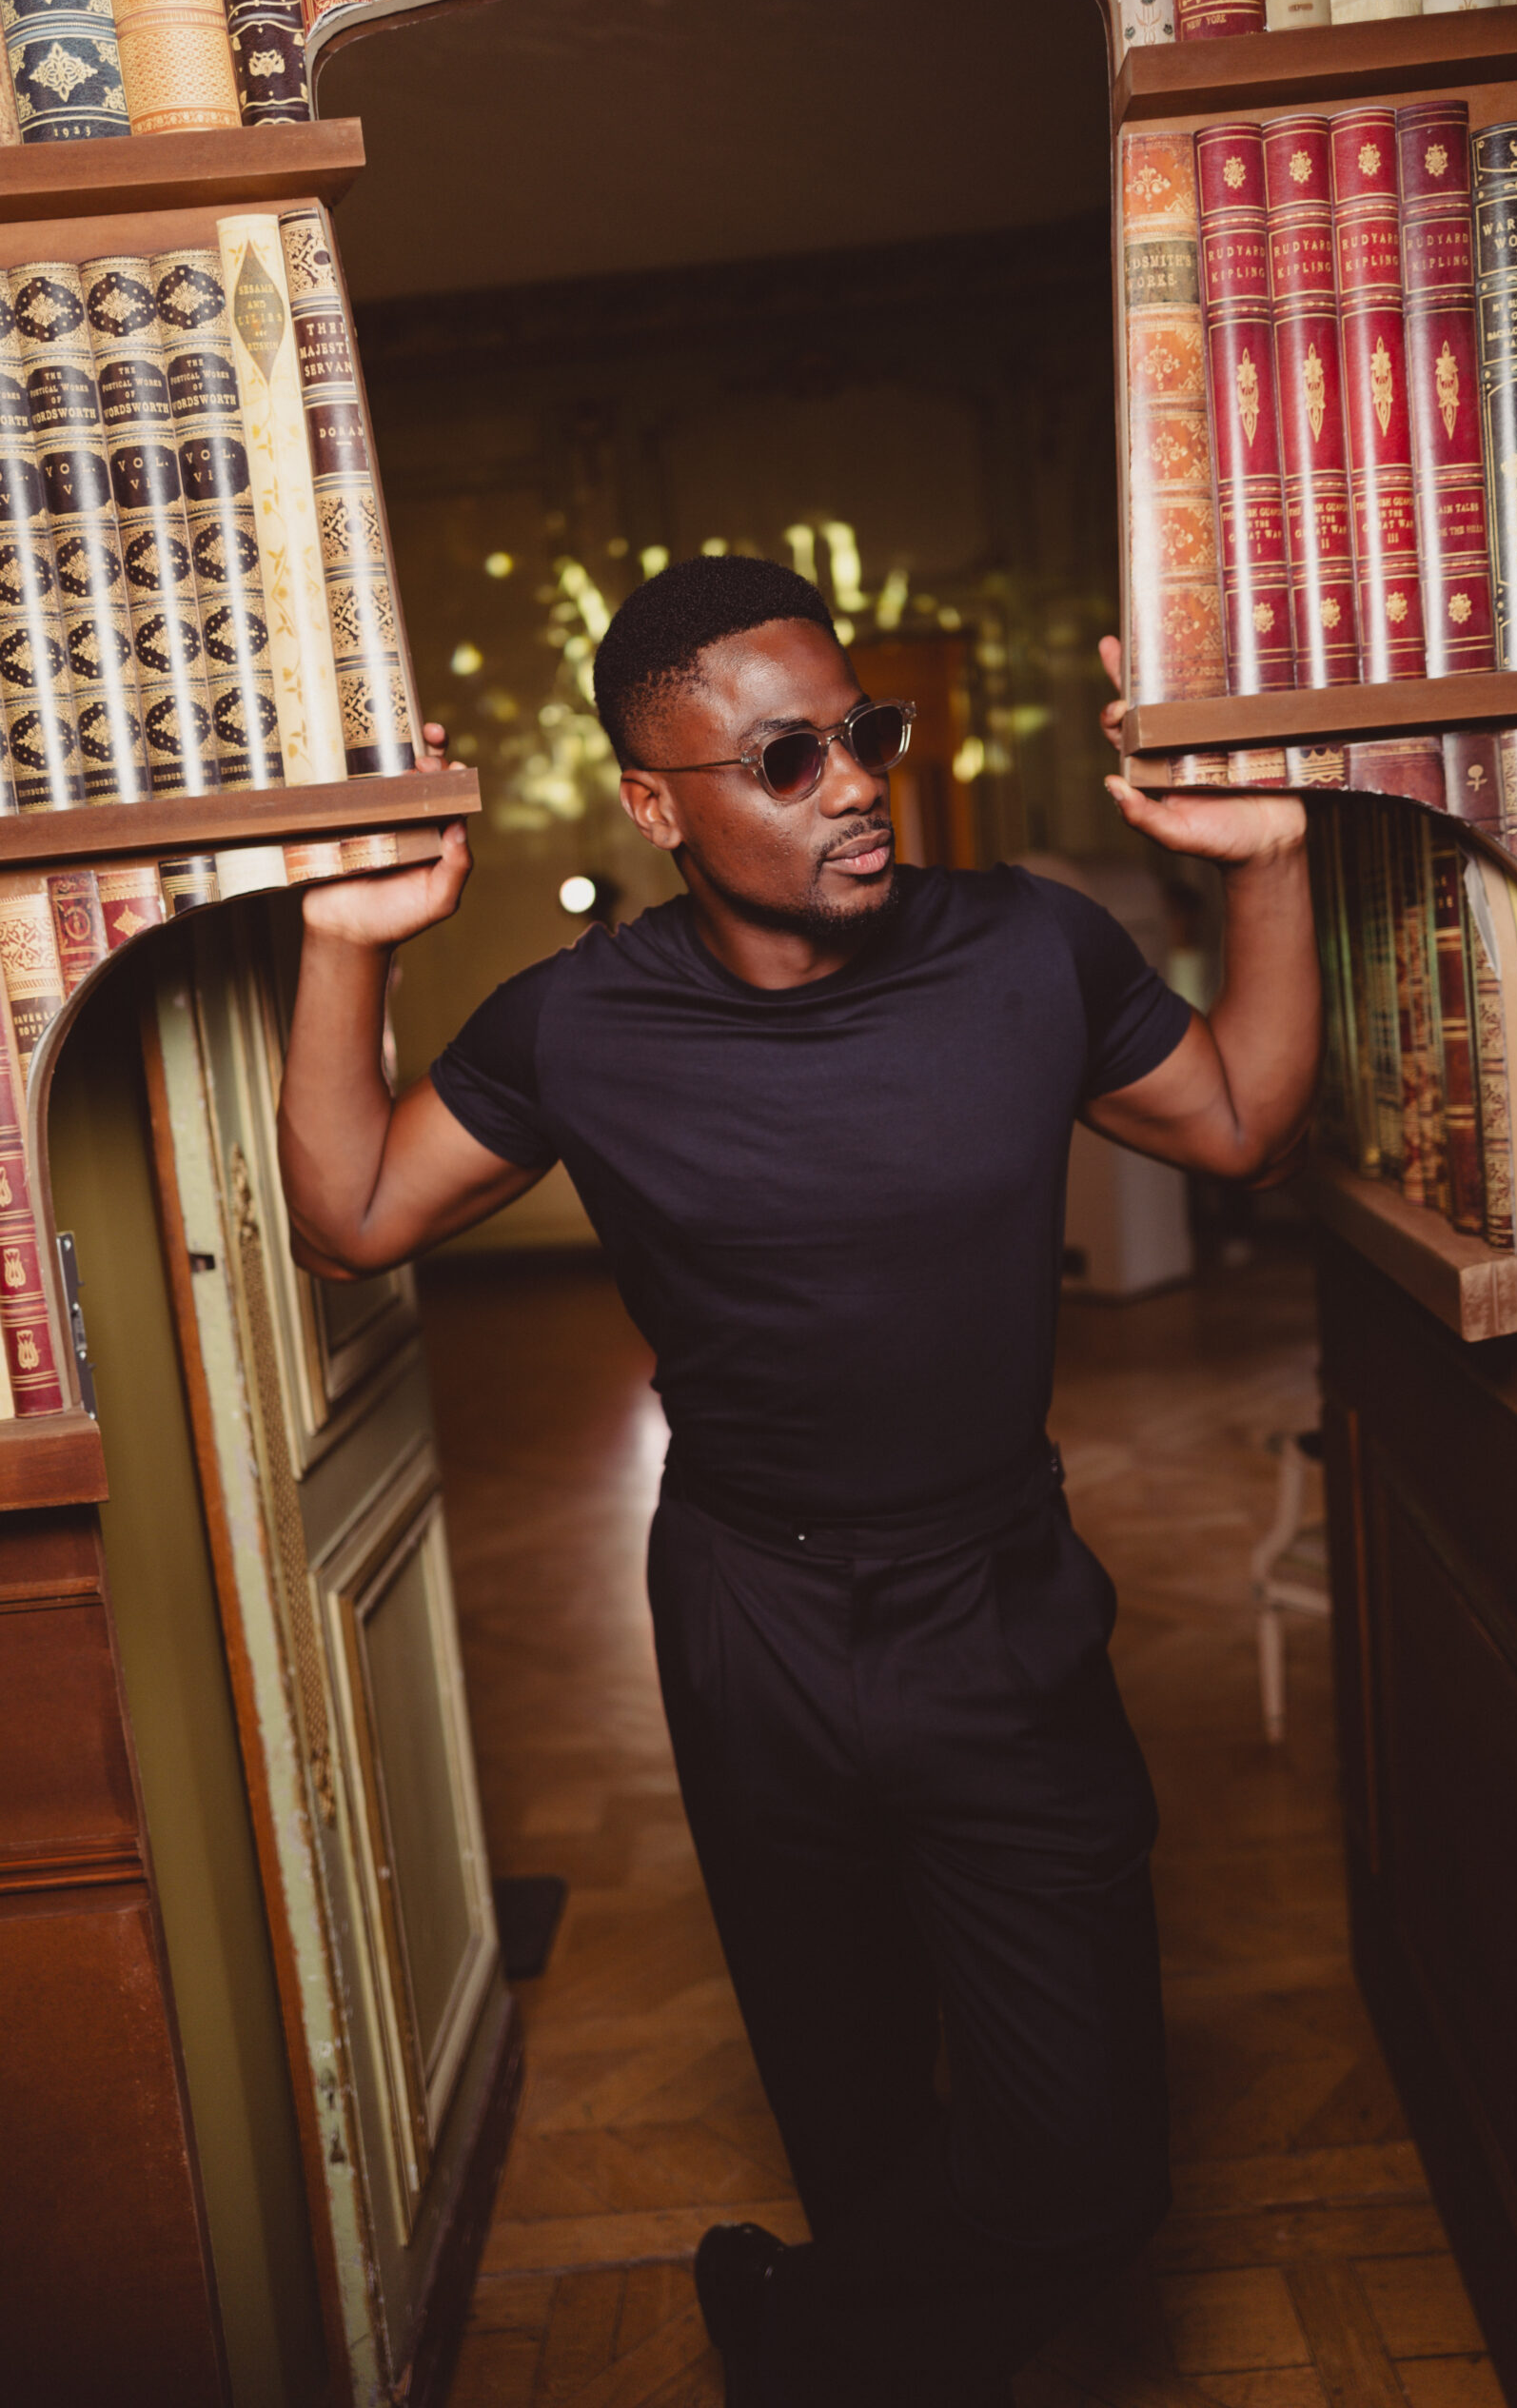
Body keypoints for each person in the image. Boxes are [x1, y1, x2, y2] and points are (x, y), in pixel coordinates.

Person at [278, 556, 1320, 2408]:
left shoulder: (1031, 947)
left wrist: (1271, 863)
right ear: (654, 804)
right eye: (786, 758)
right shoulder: (576, 1023)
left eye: (864, 734)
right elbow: (352, 1213)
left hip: (998, 1598)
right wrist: (347, 943)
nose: (854, 785)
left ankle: (797, 2333)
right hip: (749, 1613)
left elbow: (1240, 1119)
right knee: (854, 2115)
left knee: (1089, 2170)